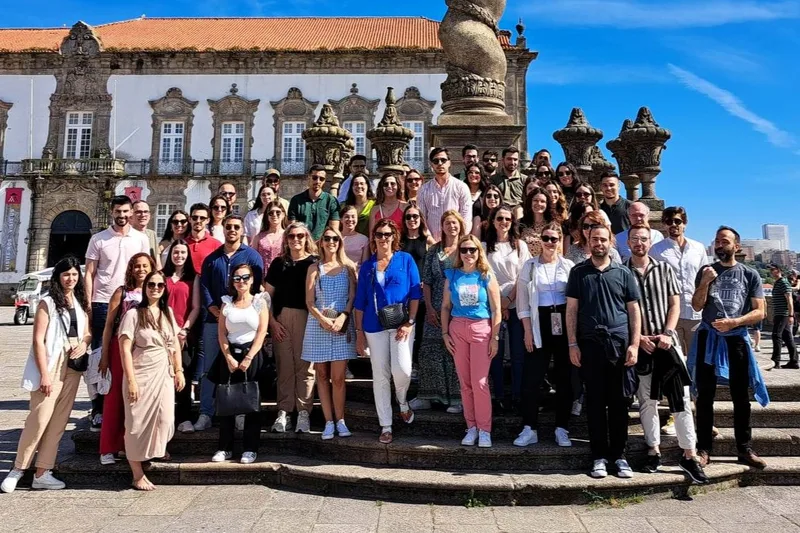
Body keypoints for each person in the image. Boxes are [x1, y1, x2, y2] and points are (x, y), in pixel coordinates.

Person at [624, 225, 708, 483]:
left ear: (651, 242)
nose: (639, 242)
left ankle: (689, 454)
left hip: (665, 342)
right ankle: (653, 449)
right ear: (628, 242)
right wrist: (637, 338)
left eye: (644, 238)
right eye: (635, 238)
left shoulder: (664, 269)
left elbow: (675, 303)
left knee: (679, 398)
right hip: (641, 344)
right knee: (647, 400)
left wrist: (669, 333)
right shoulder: (622, 272)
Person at [1, 257, 91, 494]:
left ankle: (43, 472)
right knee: (39, 418)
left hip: (73, 363)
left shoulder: (80, 300)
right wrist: (44, 375)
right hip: (52, 363)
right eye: (66, 275)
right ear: (57, 277)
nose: (70, 279)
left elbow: (87, 331)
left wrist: (84, 343)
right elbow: (38, 340)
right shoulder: (47, 302)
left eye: (74, 274)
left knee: (59, 421)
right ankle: (18, 469)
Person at [690, 226, 769, 469]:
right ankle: (704, 448)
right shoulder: (706, 272)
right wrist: (704, 283)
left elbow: (760, 311)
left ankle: (744, 448)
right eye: (717, 241)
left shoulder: (749, 274)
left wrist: (735, 322)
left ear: (736, 247)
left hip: (736, 339)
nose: (719, 245)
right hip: (709, 338)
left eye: (725, 241)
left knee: (740, 397)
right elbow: (696, 305)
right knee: (704, 396)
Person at [566, 224, 641, 479]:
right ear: (588, 242)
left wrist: (634, 344)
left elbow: (634, 310)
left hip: (619, 346)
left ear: (611, 242)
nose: (599, 243)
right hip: (589, 345)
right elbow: (572, 310)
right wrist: (572, 343)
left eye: (603, 239)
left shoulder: (623, 273)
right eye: (594, 239)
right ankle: (598, 456)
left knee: (620, 403)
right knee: (596, 403)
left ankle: (619, 456)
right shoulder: (578, 272)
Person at [84, 195, 150, 430]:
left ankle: (125, 404)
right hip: (103, 302)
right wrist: (89, 305)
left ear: (131, 212)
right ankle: (98, 407)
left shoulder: (140, 239)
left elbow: (146, 270)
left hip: (132, 301)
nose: (121, 216)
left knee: (132, 353)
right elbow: (90, 273)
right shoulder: (98, 239)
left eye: (125, 211)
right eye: (117, 212)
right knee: (100, 356)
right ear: (111, 212)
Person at [195, 215, 264, 431]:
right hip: (213, 320)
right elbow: (204, 285)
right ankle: (206, 412)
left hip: (242, 323)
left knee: (240, 368)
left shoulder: (252, 257)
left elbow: (257, 286)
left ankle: (239, 411)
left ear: (242, 230)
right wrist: (212, 308)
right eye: (228, 227)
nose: (232, 230)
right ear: (223, 229)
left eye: (236, 227)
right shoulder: (212, 258)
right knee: (209, 369)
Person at [354, 220, 421, 443]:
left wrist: (410, 322)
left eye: (388, 234)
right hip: (374, 326)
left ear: (394, 236)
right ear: (373, 238)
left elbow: (414, 294)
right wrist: (359, 333)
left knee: (402, 369)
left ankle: (402, 400)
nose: (383, 238)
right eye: (379, 234)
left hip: (402, 324)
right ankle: (386, 424)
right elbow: (360, 302)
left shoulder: (406, 260)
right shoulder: (367, 266)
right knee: (380, 376)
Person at [118, 271, 184, 491]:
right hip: (141, 372)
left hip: (163, 373)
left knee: (165, 418)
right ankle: (137, 473)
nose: (155, 288)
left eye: (159, 285)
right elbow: (124, 349)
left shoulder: (168, 313)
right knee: (136, 423)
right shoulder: (134, 314)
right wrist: (131, 381)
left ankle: (152, 451)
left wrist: (179, 369)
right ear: (145, 287)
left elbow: (174, 343)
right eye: (151, 284)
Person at [515, 223, 575, 448]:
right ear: (540, 240)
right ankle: (530, 427)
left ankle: (562, 428)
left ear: (560, 241)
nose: (550, 243)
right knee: (531, 379)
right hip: (538, 322)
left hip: (563, 321)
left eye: (554, 239)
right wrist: (527, 331)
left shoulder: (568, 266)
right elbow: (522, 301)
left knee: (564, 379)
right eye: (546, 238)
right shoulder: (529, 266)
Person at [442, 234, 501, 448]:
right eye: (464, 250)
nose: (468, 254)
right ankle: (472, 426)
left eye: (472, 250)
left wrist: (495, 337)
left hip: (481, 329)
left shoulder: (485, 275)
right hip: (457, 328)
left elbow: (496, 309)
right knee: (465, 384)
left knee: (480, 383)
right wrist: (445, 333)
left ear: (479, 252)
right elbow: (446, 307)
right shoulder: (453, 275)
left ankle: (485, 429)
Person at [98, 253, 155, 466]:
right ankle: (107, 448)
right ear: (131, 269)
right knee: (115, 399)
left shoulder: (155, 290)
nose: (141, 270)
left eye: (145, 266)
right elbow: (108, 325)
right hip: (120, 348)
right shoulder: (122, 293)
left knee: (137, 399)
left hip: (144, 351)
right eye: (137, 266)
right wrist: (104, 355)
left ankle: (127, 445)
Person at [210, 264, 269, 464]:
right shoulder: (227, 303)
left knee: (252, 403)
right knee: (226, 402)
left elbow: (262, 332)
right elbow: (221, 333)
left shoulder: (260, 302)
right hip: (229, 355)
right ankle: (224, 448)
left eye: (245, 277)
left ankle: (250, 448)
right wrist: (228, 357)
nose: (241, 281)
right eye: (237, 278)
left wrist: (249, 357)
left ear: (252, 280)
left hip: (251, 355)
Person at [303, 228, 358, 440]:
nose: (331, 242)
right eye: (327, 238)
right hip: (319, 325)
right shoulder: (314, 268)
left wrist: (344, 316)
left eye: (335, 238)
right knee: (322, 376)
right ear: (322, 242)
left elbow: (352, 297)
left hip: (341, 324)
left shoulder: (348, 266)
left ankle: (341, 420)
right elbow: (309, 301)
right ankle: (328, 421)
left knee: (338, 377)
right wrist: (322, 319)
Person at [265, 222, 318, 433]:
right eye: (291, 236)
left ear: (306, 238)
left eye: (300, 235)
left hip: (308, 317)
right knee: (284, 366)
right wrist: (272, 323)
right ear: (286, 239)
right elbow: (266, 297)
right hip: (282, 317)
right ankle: (284, 411)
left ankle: (303, 412)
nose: (296, 239)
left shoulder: (314, 263)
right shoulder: (279, 264)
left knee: (306, 367)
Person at [413, 210, 466, 412]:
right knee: (429, 351)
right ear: (442, 227)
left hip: (459, 308)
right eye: (447, 223)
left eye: (454, 223)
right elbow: (426, 282)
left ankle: (458, 399)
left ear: (460, 225)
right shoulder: (434, 251)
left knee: (456, 352)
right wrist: (429, 308)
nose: (451, 226)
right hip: (434, 307)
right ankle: (427, 395)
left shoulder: (466, 248)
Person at [483, 205, 530, 414]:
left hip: (517, 302)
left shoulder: (519, 245)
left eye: (508, 219)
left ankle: (518, 395)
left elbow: (524, 275)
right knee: (496, 352)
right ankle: (499, 396)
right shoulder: (484, 246)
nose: (503, 222)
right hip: (492, 304)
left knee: (519, 353)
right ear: (493, 221)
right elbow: (483, 274)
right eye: (500, 218)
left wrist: (509, 299)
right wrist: (499, 303)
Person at [649, 207, 709, 354]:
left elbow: (705, 279)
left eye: (677, 221)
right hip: (669, 314)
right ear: (664, 225)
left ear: (685, 223)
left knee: (697, 358)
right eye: (669, 222)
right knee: (676, 360)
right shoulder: (656, 250)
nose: (673, 225)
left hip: (695, 313)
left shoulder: (698, 248)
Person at [163, 240, 201, 433]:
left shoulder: (193, 278)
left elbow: (195, 307)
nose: (179, 256)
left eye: (183, 253)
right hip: (163, 334)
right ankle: (166, 418)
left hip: (184, 335)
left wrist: (184, 329)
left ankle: (184, 417)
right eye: (176, 252)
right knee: (164, 377)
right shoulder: (161, 277)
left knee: (183, 374)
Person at [400, 205, 435, 366]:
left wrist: (427, 280)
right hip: (402, 292)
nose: (412, 220)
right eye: (408, 217)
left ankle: (416, 364)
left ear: (421, 219)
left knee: (419, 328)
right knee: (403, 326)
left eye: (415, 216)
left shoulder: (426, 238)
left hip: (421, 290)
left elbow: (436, 259)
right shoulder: (399, 240)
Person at [417, 147, 473, 240]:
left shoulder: (461, 187)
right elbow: (422, 220)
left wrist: (460, 240)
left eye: (443, 160)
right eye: (436, 161)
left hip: (456, 243)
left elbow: (466, 218)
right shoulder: (423, 190)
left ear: (449, 163)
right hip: (432, 243)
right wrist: (431, 241)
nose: (439, 163)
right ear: (431, 164)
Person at [289, 164, 341, 240]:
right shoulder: (296, 200)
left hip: (323, 247)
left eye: (321, 179)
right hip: (302, 245)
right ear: (308, 178)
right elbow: (293, 228)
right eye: (314, 177)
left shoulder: (331, 201)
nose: (318, 181)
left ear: (324, 181)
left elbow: (334, 230)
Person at [769, 264, 797, 369]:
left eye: (773, 269)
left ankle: (775, 361)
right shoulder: (777, 283)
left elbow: (789, 300)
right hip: (779, 313)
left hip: (783, 314)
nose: (771, 272)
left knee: (776, 335)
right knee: (787, 337)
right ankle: (794, 362)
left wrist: (790, 315)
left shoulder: (784, 282)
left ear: (779, 270)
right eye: (770, 270)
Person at [251, 200, 287, 273]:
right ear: (267, 216)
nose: (274, 215)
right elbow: (253, 258)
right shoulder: (258, 237)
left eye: (278, 212)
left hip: (282, 274)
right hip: (262, 274)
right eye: (271, 213)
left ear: (283, 215)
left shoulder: (287, 235)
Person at [185, 203, 221, 275]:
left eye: (202, 218)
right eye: (195, 218)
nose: (198, 221)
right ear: (189, 219)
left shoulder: (217, 245)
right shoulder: (182, 243)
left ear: (207, 220)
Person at [519, 186, 554, 257]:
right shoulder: (520, 224)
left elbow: (559, 252)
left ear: (547, 204)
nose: (539, 203)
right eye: (535, 200)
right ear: (530, 202)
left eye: (542, 201)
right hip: (525, 266)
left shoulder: (553, 225)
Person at [344, 172, 377, 237]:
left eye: (362, 184)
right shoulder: (344, 206)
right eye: (356, 184)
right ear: (352, 187)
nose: (359, 186)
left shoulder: (375, 205)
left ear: (367, 186)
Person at [131, 200, 161, 269]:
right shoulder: (127, 235)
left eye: (145, 211)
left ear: (149, 215)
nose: (143, 215)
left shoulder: (152, 234)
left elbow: (157, 261)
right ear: (131, 215)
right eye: (138, 212)